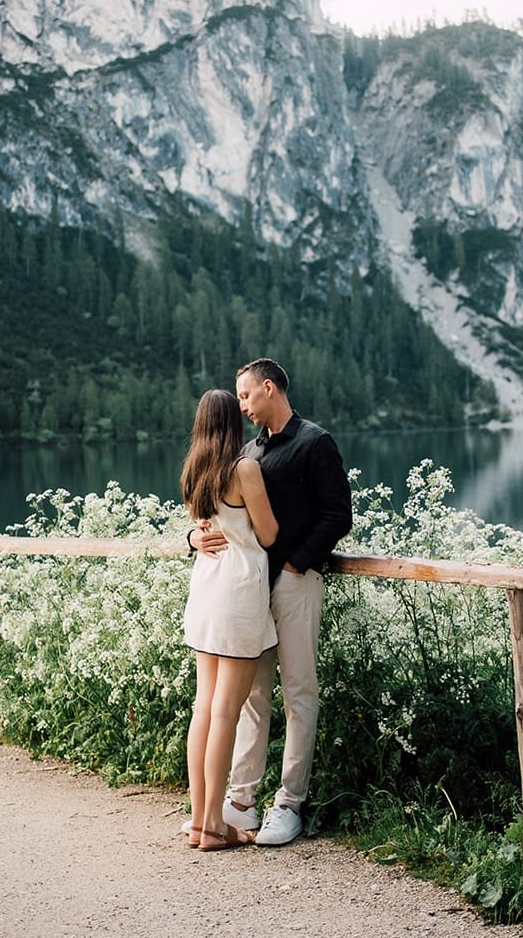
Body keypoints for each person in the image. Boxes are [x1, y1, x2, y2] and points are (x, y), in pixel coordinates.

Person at [189, 358, 353, 847]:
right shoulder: (247, 453)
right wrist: (192, 540)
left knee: (299, 692)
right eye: (236, 401)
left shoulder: (314, 442)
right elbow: (221, 519)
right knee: (252, 699)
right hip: (248, 591)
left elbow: (337, 514)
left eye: (245, 396)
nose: (241, 406)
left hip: (294, 582)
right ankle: (240, 801)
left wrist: (297, 565)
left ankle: (289, 802)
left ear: (267, 388)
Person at [181, 388, 280, 851]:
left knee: (204, 708)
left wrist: (197, 536)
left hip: (205, 589)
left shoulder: (196, 471)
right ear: (231, 424)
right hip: (238, 592)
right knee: (226, 712)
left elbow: (200, 529)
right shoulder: (244, 469)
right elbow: (268, 532)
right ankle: (216, 827)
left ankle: (200, 821)